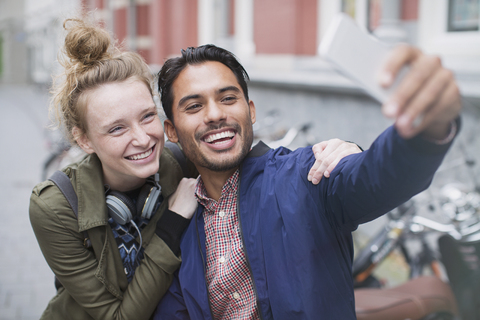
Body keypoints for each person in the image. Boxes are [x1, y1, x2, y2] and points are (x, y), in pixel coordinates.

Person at [29, 19, 360, 320]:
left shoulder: (179, 160)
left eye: (147, 117)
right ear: (84, 140)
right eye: (116, 129)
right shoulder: (55, 206)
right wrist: (171, 225)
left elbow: (249, 160)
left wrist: (342, 154)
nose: (143, 139)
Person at [153, 44, 462, 320]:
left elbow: (377, 176)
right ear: (172, 131)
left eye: (228, 98)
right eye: (194, 106)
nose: (215, 114)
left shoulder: (306, 177)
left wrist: (427, 127)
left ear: (250, 111)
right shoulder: (177, 223)